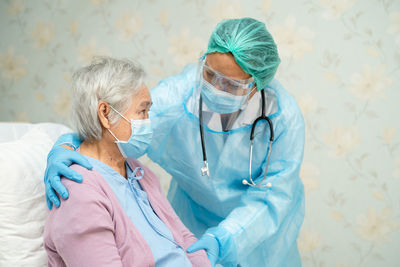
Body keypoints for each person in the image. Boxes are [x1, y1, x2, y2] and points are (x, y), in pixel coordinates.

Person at [44, 18, 305, 267]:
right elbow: (117, 125)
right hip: (193, 220)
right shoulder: (178, 97)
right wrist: (68, 143)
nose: (215, 87)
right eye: (210, 73)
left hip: (260, 236)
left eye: (230, 84)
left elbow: (274, 194)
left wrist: (225, 238)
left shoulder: (282, 118)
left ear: (257, 84)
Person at [43, 56, 210, 267]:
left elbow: (184, 238)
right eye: (142, 111)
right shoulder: (78, 191)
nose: (149, 122)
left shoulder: (138, 172)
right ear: (105, 113)